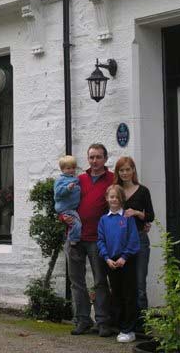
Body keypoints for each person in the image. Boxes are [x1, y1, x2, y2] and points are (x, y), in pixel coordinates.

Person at [64, 143, 114, 337]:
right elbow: (65, 203)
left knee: (100, 281)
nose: (94, 161)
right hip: (75, 238)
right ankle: (83, 320)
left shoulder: (112, 179)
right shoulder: (79, 179)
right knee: (77, 282)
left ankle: (103, 322)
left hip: (97, 239)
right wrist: (63, 218)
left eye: (98, 157)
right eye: (91, 157)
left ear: (105, 159)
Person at [114, 156, 155, 325]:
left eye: (127, 169)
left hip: (139, 239)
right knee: (123, 284)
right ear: (118, 172)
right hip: (120, 241)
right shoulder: (115, 191)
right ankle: (124, 323)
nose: (124, 173)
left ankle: (142, 325)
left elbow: (151, 215)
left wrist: (138, 213)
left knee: (139, 284)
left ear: (133, 170)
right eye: (121, 170)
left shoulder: (143, 190)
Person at [97, 184, 140, 343]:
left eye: (116, 197)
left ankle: (129, 330)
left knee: (129, 295)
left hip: (126, 261)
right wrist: (107, 258)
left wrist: (124, 257)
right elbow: (100, 241)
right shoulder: (103, 220)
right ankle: (121, 326)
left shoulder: (127, 218)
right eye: (111, 196)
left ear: (121, 199)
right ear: (107, 199)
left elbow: (134, 240)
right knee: (117, 295)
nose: (113, 199)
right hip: (111, 262)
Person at [54, 155, 82, 245]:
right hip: (65, 209)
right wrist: (67, 189)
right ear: (62, 169)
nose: (71, 170)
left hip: (71, 208)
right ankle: (72, 240)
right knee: (76, 224)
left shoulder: (75, 179)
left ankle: (73, 238)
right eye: (68, 168)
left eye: (73, 168)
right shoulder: (60, 180)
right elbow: (57, 193)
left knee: (77, 223)